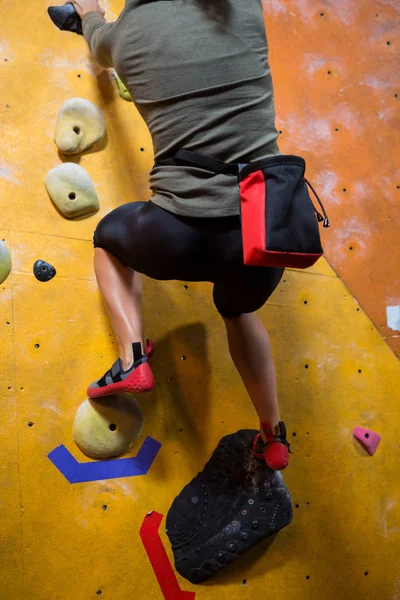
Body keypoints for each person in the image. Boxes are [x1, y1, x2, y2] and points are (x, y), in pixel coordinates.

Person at [65, 0, 291, 470]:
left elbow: (97, 44)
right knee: (239, 308)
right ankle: (274, 434)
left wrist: (88, 15)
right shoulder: (245, 8)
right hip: (263, 234)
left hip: (176, 235)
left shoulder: (122, 36)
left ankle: (131, 359)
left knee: (108, 241)